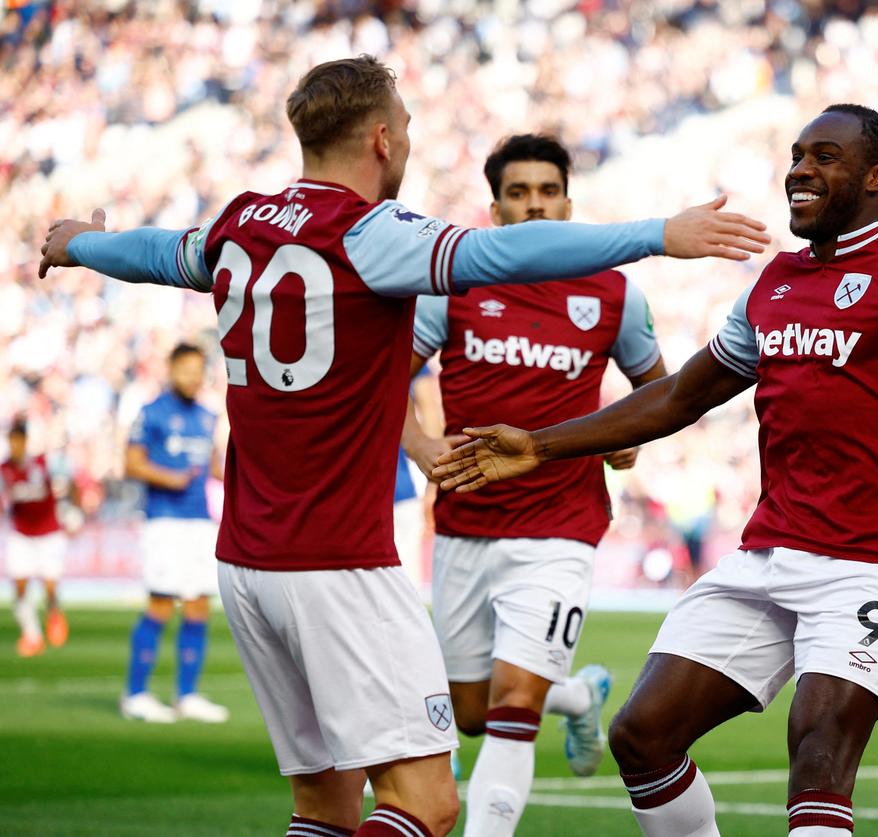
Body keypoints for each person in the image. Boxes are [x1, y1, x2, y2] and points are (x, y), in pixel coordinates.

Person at [38, 55, 769, 837]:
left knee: (324, 806)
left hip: (246, 559)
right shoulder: (371, 235)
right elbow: (500, 255)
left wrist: (82, 243)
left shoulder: (239, 223)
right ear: (383, 139)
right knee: (425, 801)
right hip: (339, 561)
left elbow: (152, 253)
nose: (414, 144)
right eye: (411, 130)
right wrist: (659, 234)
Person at [431, 103, 878, 837]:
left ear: (876, 177)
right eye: (797, 154)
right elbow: (678, 395)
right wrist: (540, 444)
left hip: (870, 565)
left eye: (825, 157)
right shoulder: (774, 283)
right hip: (767, 556)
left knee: (817, 759)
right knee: (642, 736)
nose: (800, 170)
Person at [403, 133, 668, 837]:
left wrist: (626, 432)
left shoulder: (612, 289)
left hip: (562, 525)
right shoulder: (453, 282)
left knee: (514, 708)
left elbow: (658, 386)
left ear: (568, 201)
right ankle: (579, 695)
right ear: (495, 209)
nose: (534, 205)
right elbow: (384, 376)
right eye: (518, 193)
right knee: (471, 714)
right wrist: (421, 445)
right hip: (466, 523)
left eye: (547, 191)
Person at [120, 342, 228, 724]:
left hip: (199, 520)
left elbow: (215, 467)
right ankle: (135, 694)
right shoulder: (152, 412)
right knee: (161, 604)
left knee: (198, 604)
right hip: (163, 519)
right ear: (171, 368)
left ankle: (187, 694)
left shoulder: (207, 416)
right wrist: (171, 478)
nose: (193, 376)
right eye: (186, 369)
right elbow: (131, 463)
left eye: (199, 369)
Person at [1, 419, 69, 657]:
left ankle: (53, 613)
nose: (15, 446)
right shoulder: (4, 469)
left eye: (18, 441)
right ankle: (32, 635)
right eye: (11, 441)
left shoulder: (42, 464)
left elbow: (70, 484)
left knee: (49, 586)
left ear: (25, 442)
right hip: (21, 534)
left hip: (49, 532)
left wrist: (74, 513)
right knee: (20, 586)